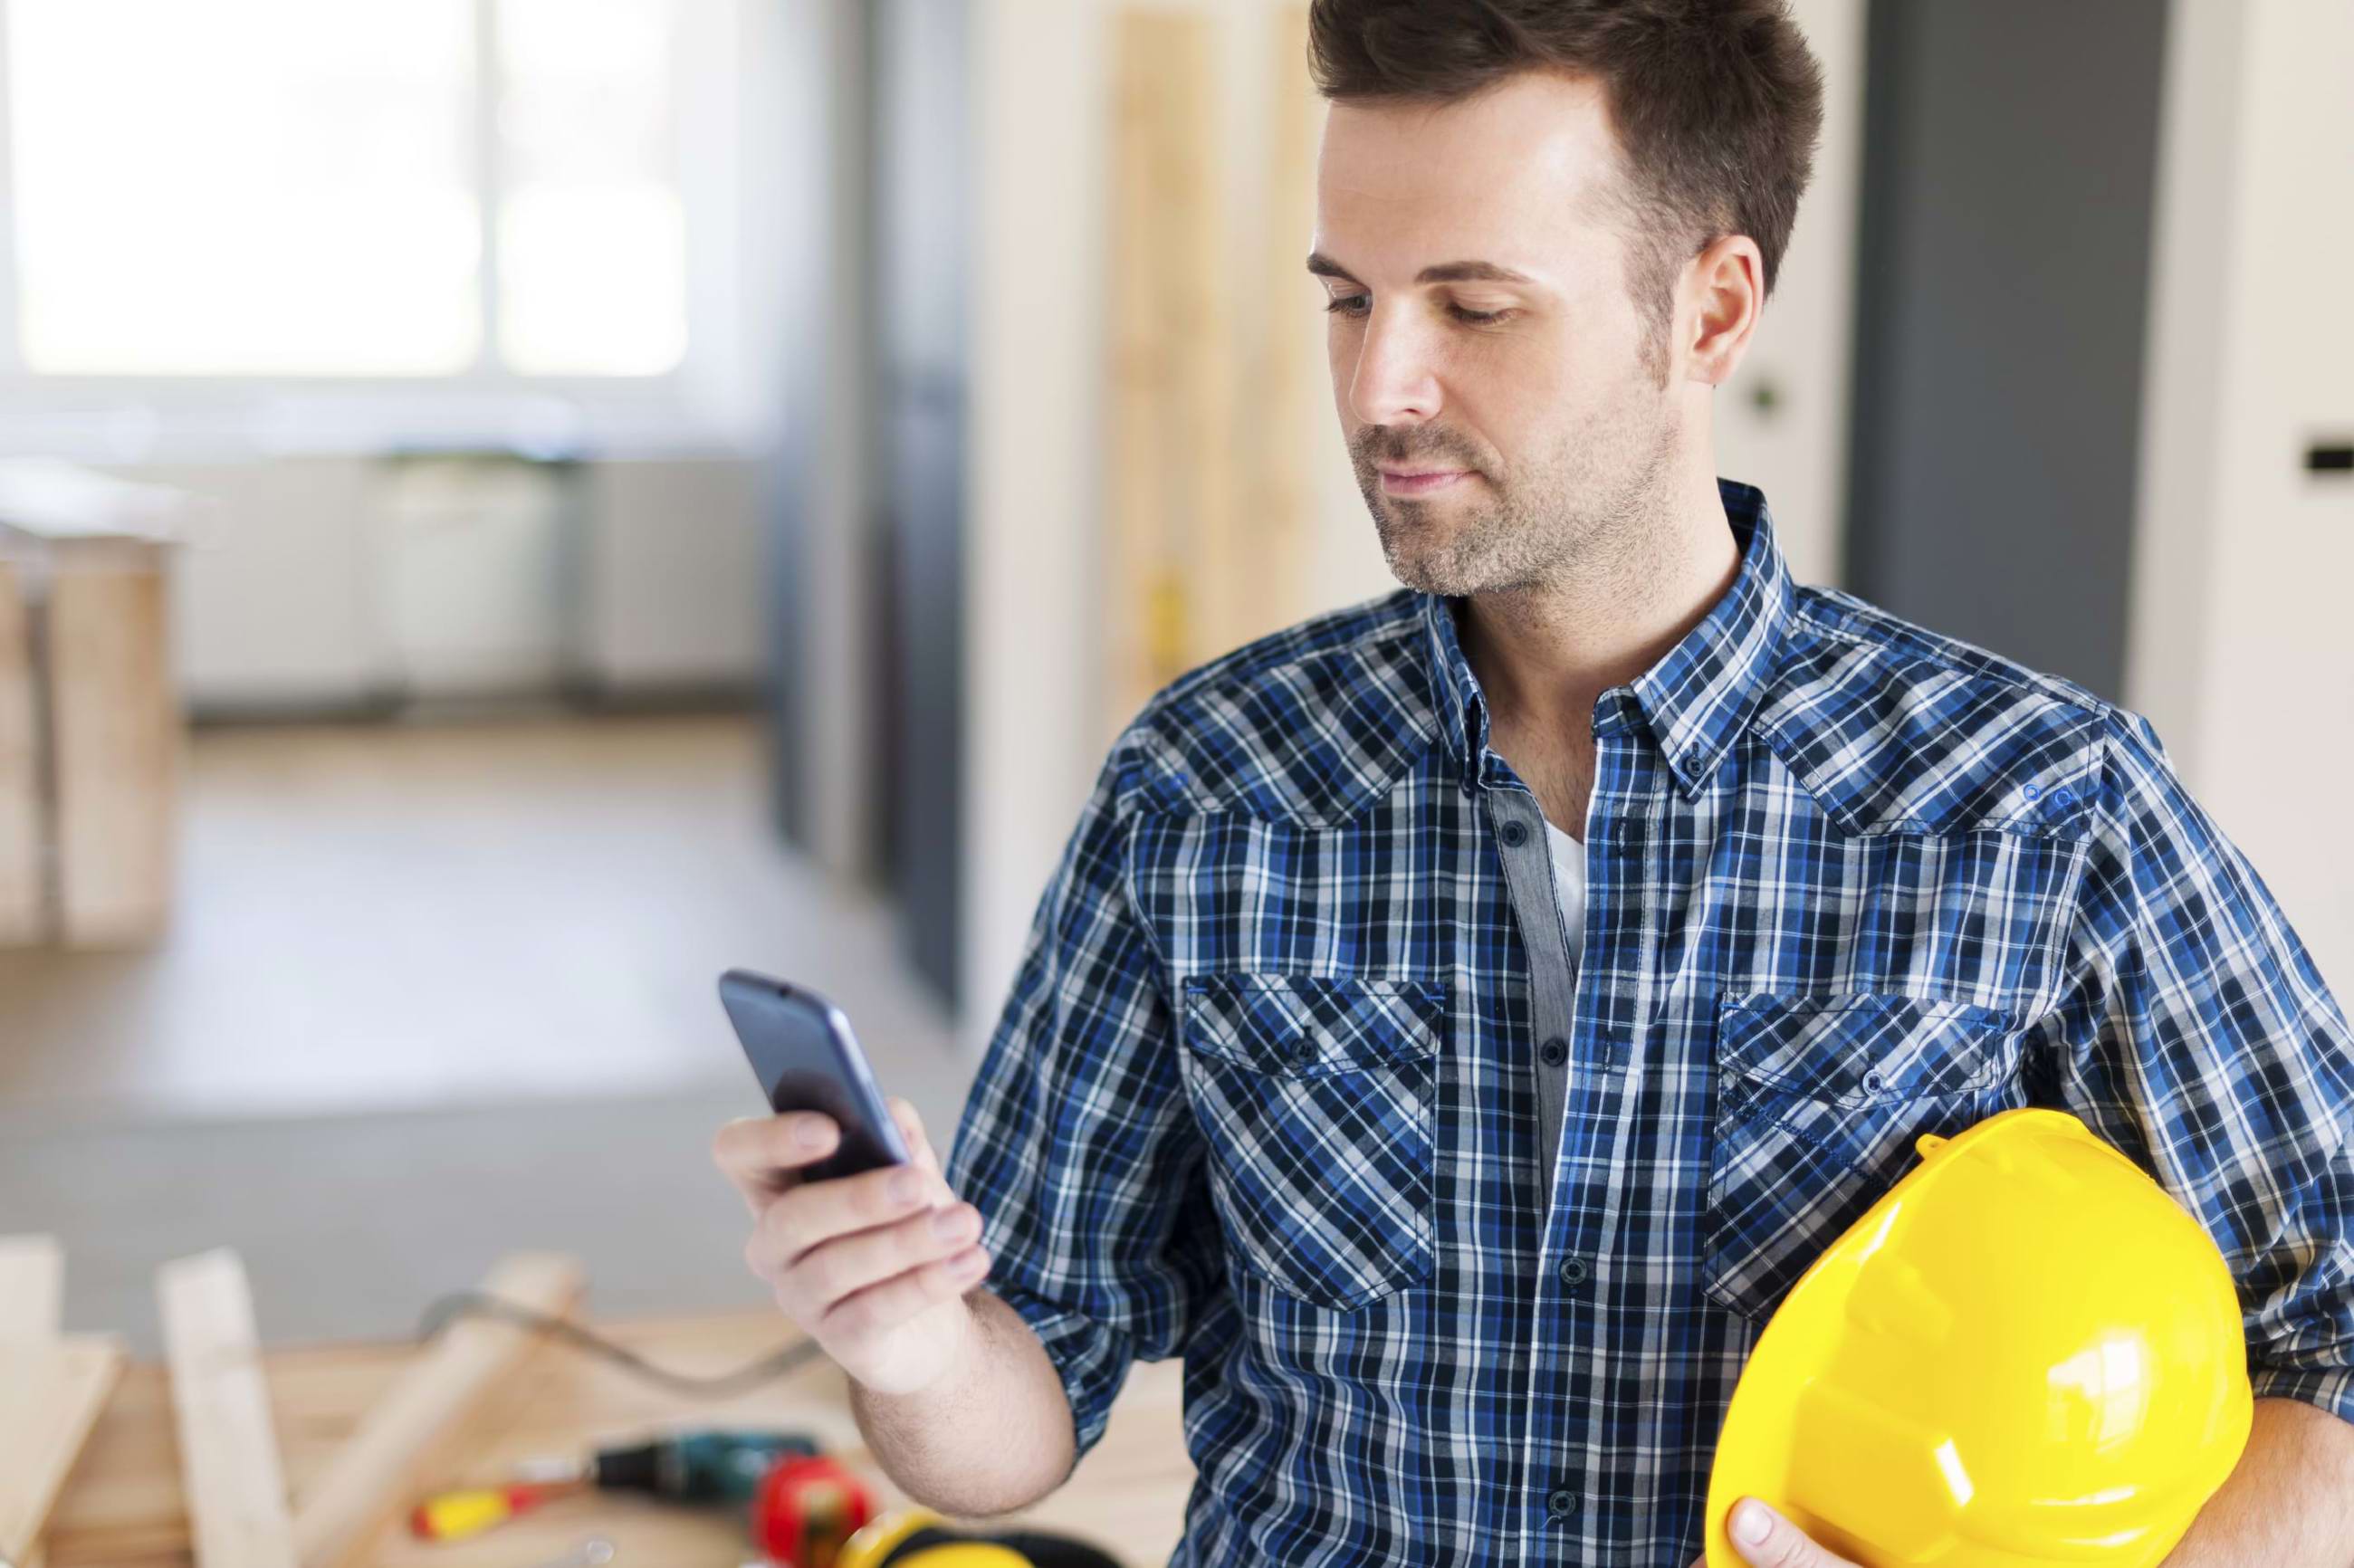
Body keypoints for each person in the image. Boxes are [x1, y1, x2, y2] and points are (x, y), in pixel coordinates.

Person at [713, 1, 2354, 1561]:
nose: (1378, 389)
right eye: (1348, 297)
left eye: (1474, 306)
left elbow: (2338, 1329)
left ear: (1709, 310)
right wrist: (915, 1340)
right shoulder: (1203, 788)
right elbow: (1018, 1420)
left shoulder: (2042, 810)